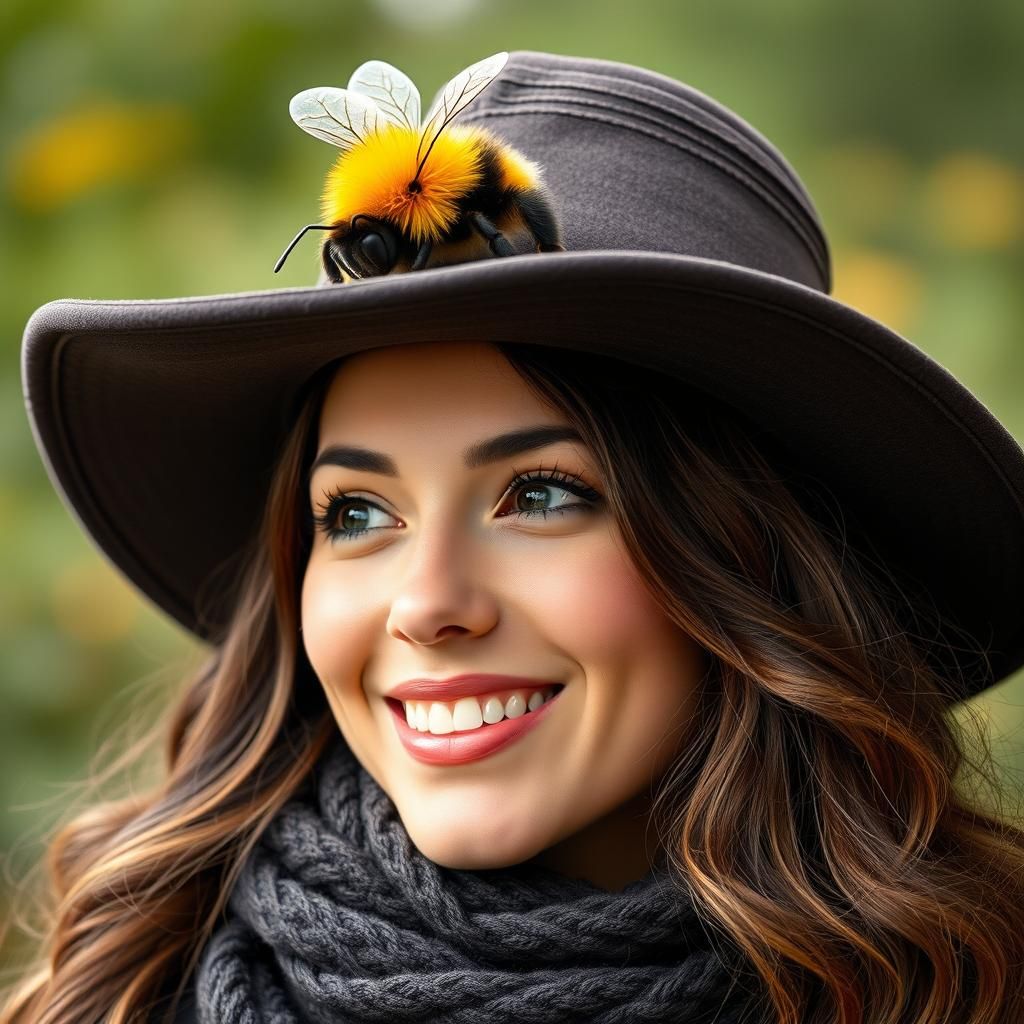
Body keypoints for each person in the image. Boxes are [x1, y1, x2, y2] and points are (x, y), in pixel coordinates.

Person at [6, 49, 1024, 1024]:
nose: (427, 603)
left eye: (540, 494)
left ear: (751, 554)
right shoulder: (117, 994)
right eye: (357, 514)